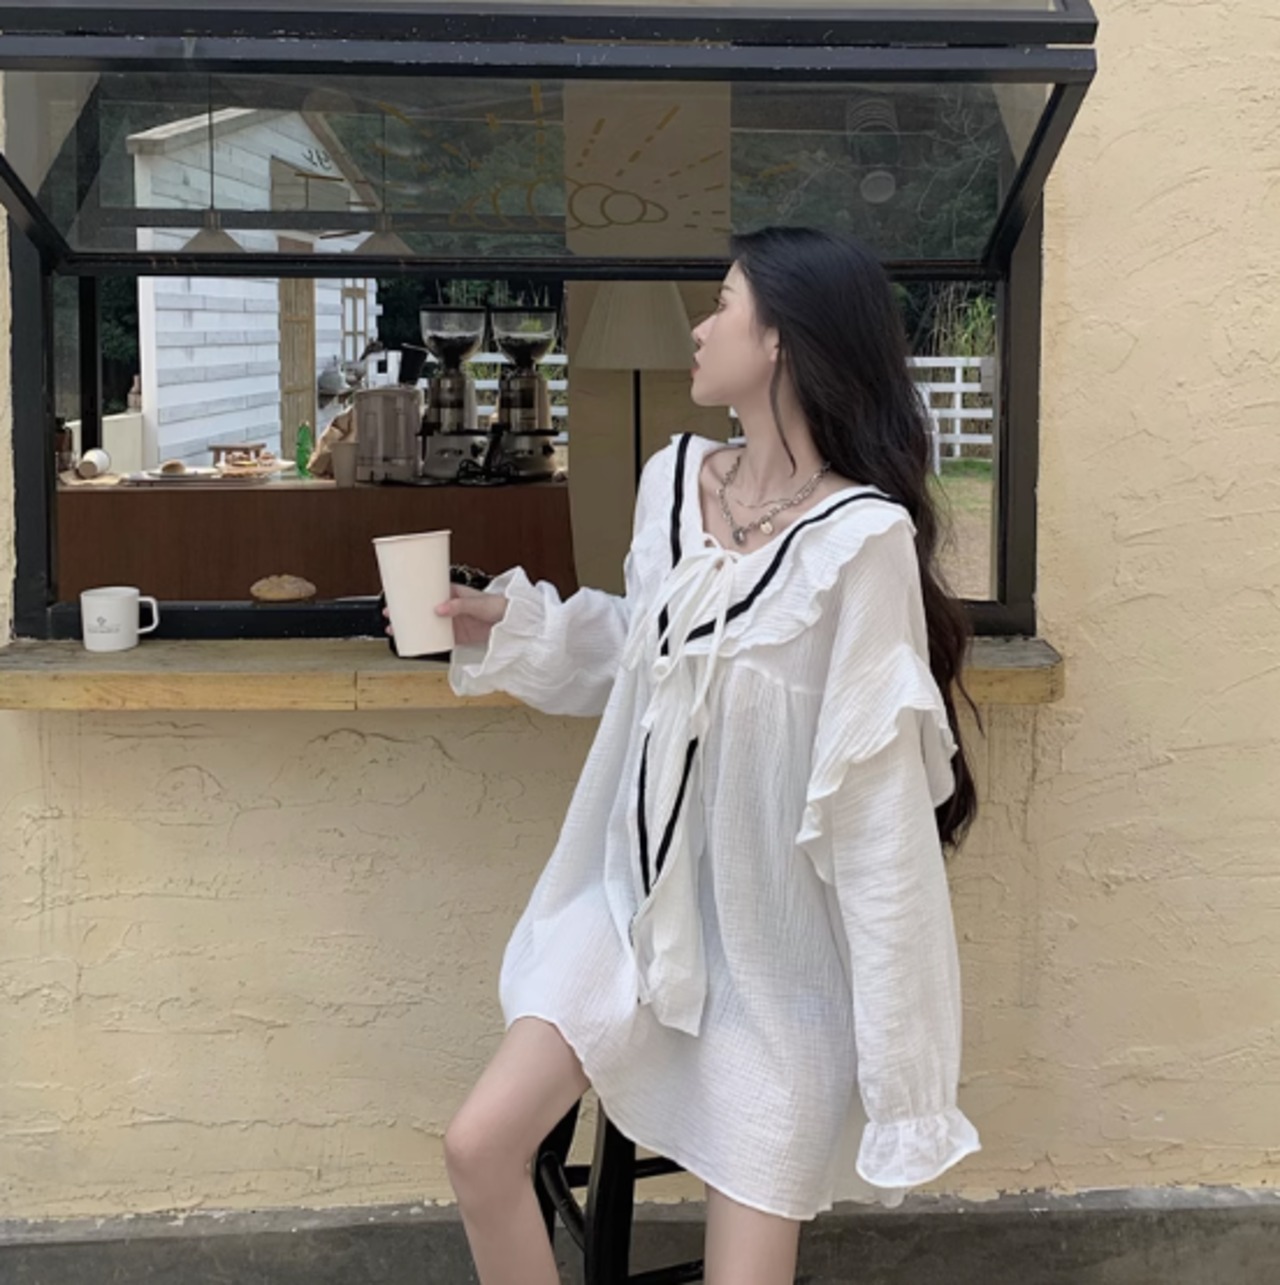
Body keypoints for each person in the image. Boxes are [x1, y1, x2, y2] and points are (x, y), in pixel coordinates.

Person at [431, 227, 980, 1285]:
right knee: (478, 1147)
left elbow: (879, 822)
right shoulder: (673, 480)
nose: (698, 326)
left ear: (779, 339)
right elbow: (650, 653)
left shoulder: (860, 542)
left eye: (722, 302)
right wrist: (514, 622)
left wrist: (907, 1082)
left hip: (775, 959)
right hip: (629, 915)